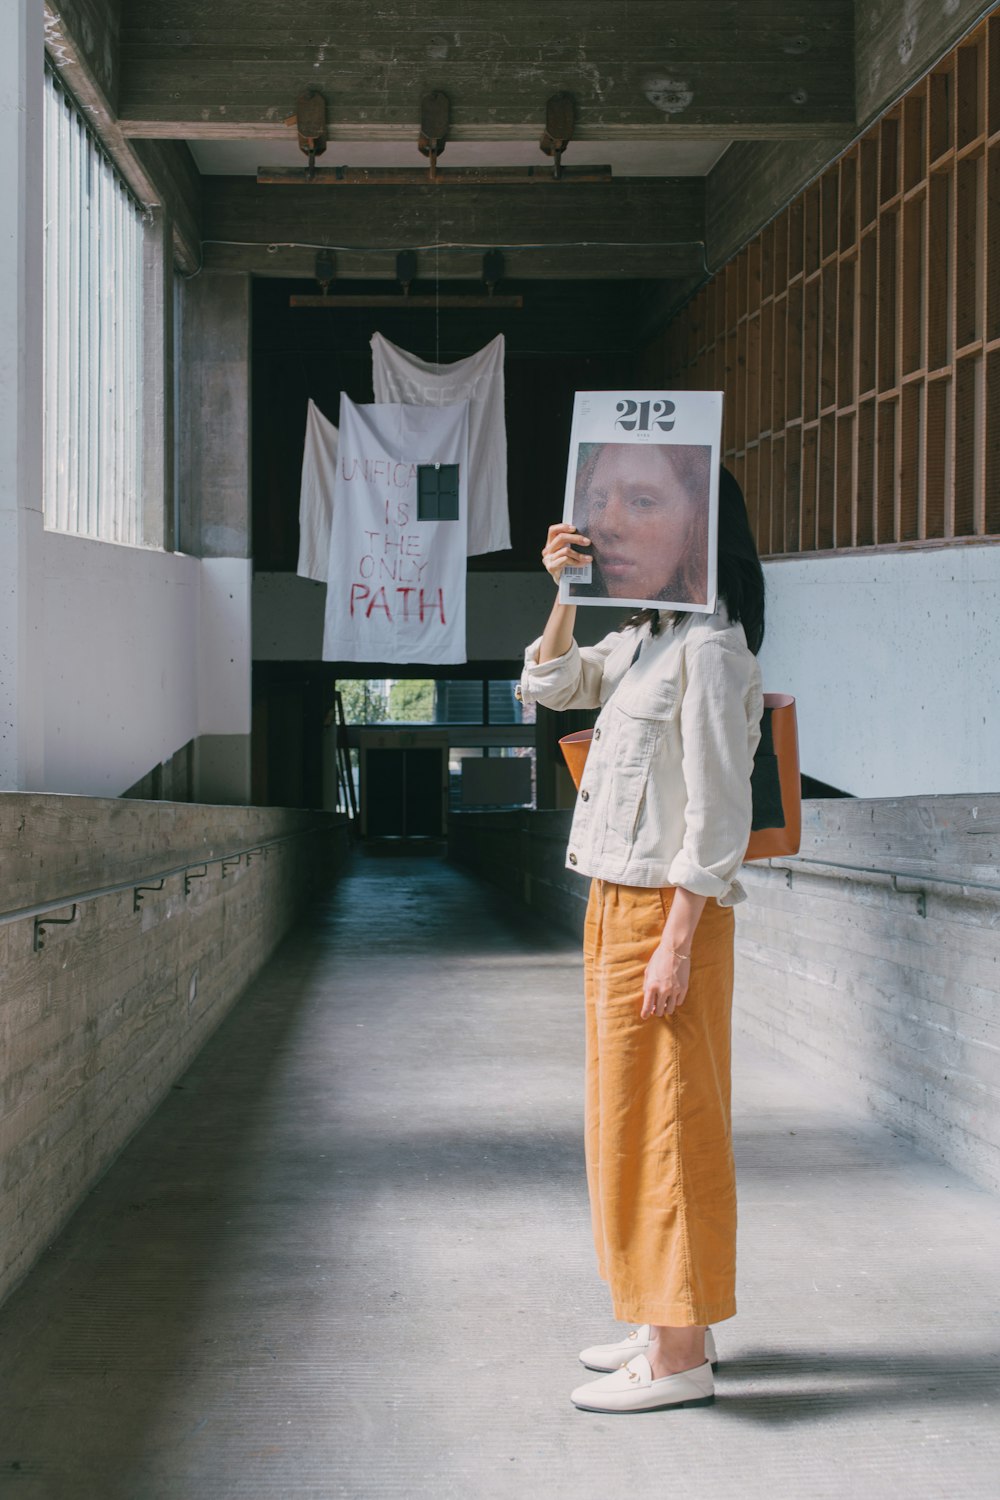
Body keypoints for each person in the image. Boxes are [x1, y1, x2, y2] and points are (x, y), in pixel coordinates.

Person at [519, 465, 765, 1414]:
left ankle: (679, 1361)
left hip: (668, 913)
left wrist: (675, 939)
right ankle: (668, 1321)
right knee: (629, 1126)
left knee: (669, 1128)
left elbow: (718, 814)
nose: (615, 523)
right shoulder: (650, 638)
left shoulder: (711, 648)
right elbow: (548, 683)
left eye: (646, 505)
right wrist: (563, 592)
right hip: (617, 904)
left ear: (699, 531)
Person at [566, 442, 711, 606]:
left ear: (697, 517)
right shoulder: (650, 620)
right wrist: (570, 580)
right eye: (599, 503)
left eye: (643, 502)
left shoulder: (711, 631)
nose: (607, 526)